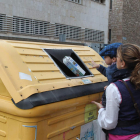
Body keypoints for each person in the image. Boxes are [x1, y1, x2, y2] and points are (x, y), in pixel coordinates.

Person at [92, 44, 140, 140]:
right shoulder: (136, 81)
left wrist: (101, 109)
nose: (116, 59)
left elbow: (109, 123)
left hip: (122, 136)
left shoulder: (114, 88)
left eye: (117, 57)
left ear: (122, 63)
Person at [91, 43, 122, 107]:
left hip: (113, 96)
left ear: (113, 59)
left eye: (105, 57)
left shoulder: (114, 69)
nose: (104, 59)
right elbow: (108, 73)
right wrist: (99, 67)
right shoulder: (114, 68)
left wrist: (110, 88)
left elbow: (116, 82)